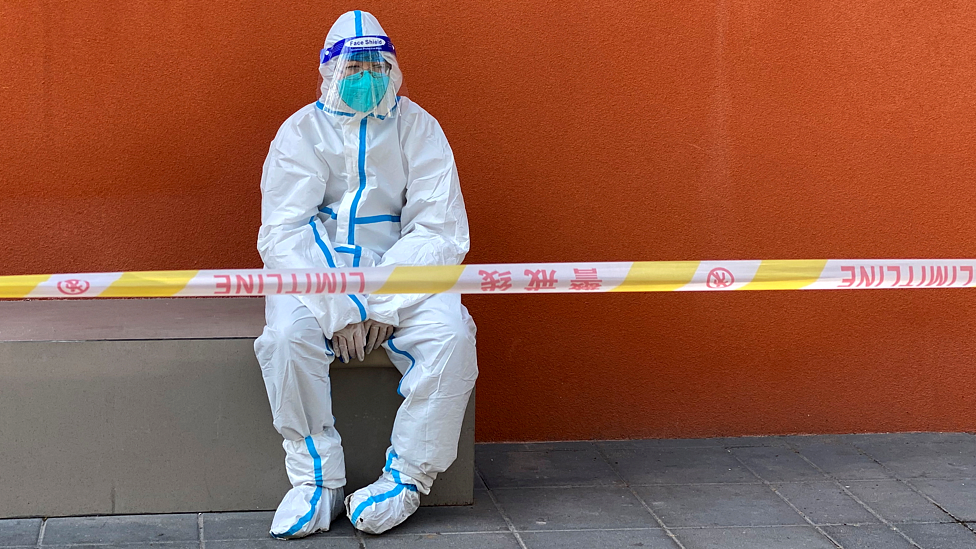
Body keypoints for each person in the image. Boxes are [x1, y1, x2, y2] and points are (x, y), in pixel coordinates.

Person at [253, 10, 478, 539]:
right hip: (313, 279)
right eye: (351, 67)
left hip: (401, 276)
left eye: (375, 65)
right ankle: (315, 481)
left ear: (394, 68)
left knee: (453, 337)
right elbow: (285, 233)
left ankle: (407, 478)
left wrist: (378, 301)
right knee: (285, 338)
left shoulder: (419, 128)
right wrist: (342, 307)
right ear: (327, 71)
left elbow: (440, 229)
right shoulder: (299, 133)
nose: (364, 77)